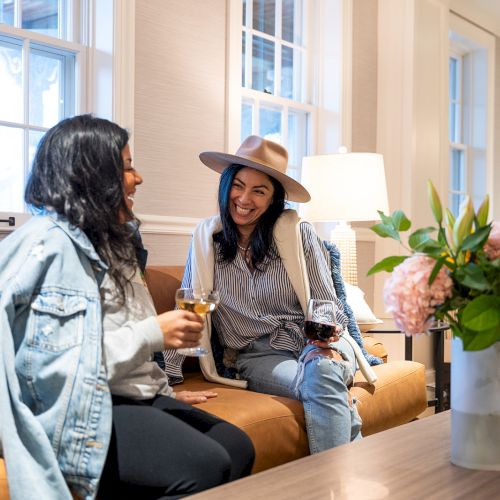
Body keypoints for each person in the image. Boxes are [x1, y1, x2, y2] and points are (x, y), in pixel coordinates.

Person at [0, 115, 254, 500]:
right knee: (204, 464)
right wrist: (154, 332)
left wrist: (162, 388)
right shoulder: (47, 247)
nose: (138, 179)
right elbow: (56, 368)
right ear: (93, 175)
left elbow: (123, 335)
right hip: (78, 405)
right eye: (128, 167)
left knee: (237, 445)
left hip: (123, 392)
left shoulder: (114, 242)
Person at [163, 135, 364, 455]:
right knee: (324, 380)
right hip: (257, 356)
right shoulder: (206, 242)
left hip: (316, 342)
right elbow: (190, 309)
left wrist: (323, 339)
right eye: (238, 185)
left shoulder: (299, 234)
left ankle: (329, 485)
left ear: (274, 199)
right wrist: (169, 376)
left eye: (259, 190)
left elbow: (327, 302)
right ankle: (343, 477)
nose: (244, 198)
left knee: (322, 369)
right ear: (225, 185)